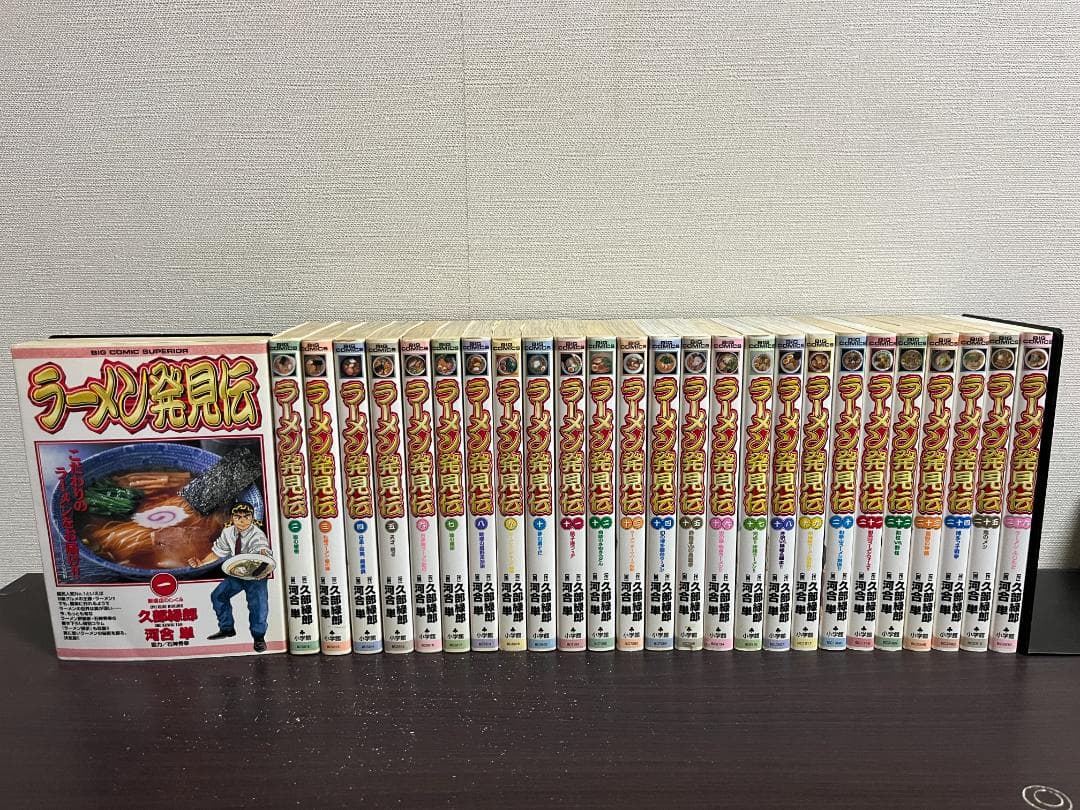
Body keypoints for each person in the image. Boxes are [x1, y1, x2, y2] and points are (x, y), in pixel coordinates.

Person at [187, 502, 272, 652]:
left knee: (258, 606)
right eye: (238, 517)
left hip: (256, 574)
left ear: (252, 518)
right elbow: (218, 552)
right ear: (232, 518)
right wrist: (201, 562)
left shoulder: (257, 534)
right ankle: (227, 628)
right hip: (237, 572)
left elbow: (263, 551)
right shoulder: (228, 532)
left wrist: (262, 568)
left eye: (246, 517)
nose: (242, 520)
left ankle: (259, 638)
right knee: (218, 596)